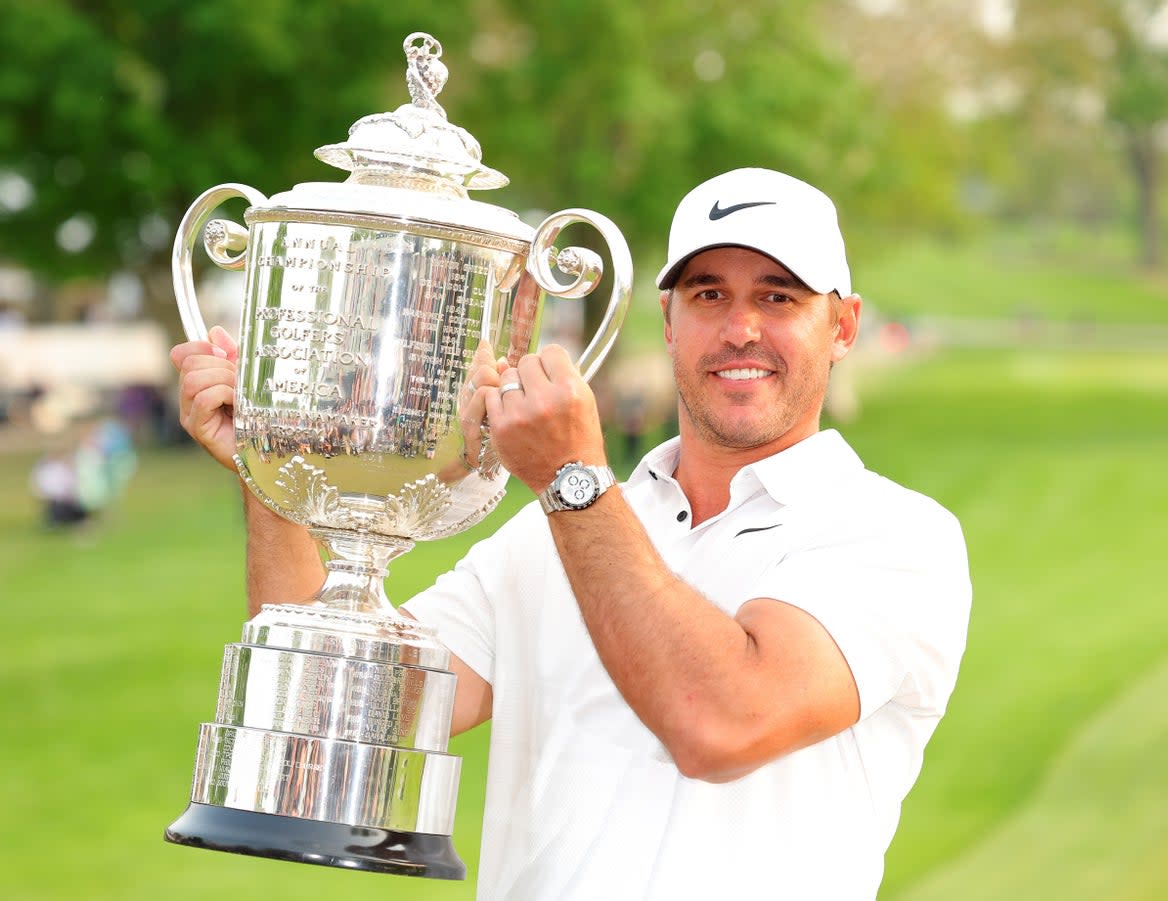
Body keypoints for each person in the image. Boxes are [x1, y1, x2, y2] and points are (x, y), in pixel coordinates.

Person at [171, 167, 971, 901]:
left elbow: (721, 722)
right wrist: (269, 472)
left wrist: (569, 478)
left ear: (844, 325)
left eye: (779, 297)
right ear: (668, 318)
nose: (740, 330)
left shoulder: (896, 538)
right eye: (708, 295)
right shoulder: (547, 536)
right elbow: (332, 718)